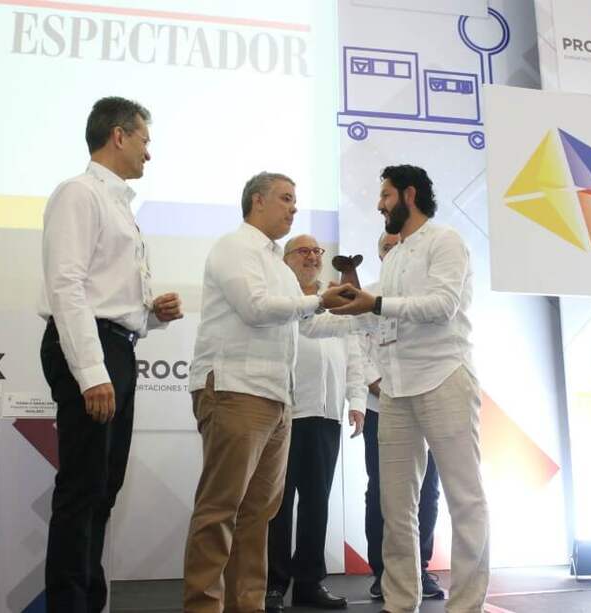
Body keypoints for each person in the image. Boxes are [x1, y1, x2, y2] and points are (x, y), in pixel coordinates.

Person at [184, 172, 358, 613]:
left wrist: (365, 311)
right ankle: (203, 606)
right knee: (221, 509)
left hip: (277, 400)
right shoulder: (234, 247)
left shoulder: (276, 264)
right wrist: (318, 301)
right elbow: (256, 309)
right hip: (235, 390)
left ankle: (249, 604)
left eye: (295, 200)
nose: (293, 207)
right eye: (286, 198)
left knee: (258, 514)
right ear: (257, 201)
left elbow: (307, 324)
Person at [39, 96, 183, 613]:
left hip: (115, 348)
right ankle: (69, 604)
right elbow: (67, 285)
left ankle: (89, 600)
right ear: (118, 136)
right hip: (90, 351)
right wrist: (91, 372)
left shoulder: (120, 205)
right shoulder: (79, 193)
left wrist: (150, 313)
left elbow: (107, 295)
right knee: (82, 488)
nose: (150, 153)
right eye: (145, 140)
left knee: (104, 488)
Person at [332, 165, 490, 613]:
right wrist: (319, 306)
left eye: (384, 195)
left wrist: (374, 303)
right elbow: (374, 317)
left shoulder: (445, 241)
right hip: (396, 391)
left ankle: (466, 605)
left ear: (409, 194)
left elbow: (442, 306)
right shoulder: (396, 254)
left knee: (466, 497)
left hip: (444, 377)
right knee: (394, 504)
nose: (379, 204)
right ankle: (400, 602)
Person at [265, 235, 367, 613]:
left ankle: (309, 583)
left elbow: (353, 353)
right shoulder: (281, 299)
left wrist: (356, 401)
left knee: (316, 504)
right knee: (277, 505)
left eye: (316, 252)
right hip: (286, 414)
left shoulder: (338, 298)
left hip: (326, 416)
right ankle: (273, 585)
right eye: (302, 251)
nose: (311, 257)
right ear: (286, 259)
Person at [359, 232, 443, 602]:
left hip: (429, 404)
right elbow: (355, 346)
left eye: (398, 247)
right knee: (383, 492)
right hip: (384, 406)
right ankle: (384, 572)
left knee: (428, 492)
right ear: (380, 254)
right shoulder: (367, 295)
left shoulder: (428, 294)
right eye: (386, 248)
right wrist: (378, 384)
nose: (392, 253)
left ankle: (418, 570)